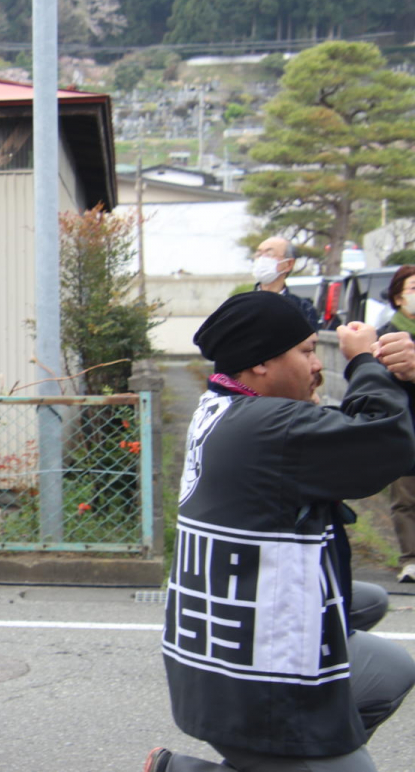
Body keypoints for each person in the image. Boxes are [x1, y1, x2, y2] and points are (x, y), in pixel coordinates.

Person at [145, 290, 415, 772]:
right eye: (308, 351)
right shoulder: (270, 428)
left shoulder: (226, 407)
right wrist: (366, 364)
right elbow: (385, 444)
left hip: (216, 654)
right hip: (254, 687)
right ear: (261, 364)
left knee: (387, 653)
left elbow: (379, 436)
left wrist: (402, 382)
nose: (318, 365)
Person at [379, 264, 415, 583]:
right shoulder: (388, 335)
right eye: (413, 289)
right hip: (405, 424)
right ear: (398, 297)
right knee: (405, 497)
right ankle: (410, 558)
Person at [252, 236, 322, 331]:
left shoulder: (303, 309)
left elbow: (308, 344)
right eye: (259, 254)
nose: (262, 259)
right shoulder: (240, 305)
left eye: (269, 254)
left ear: (289, 264)